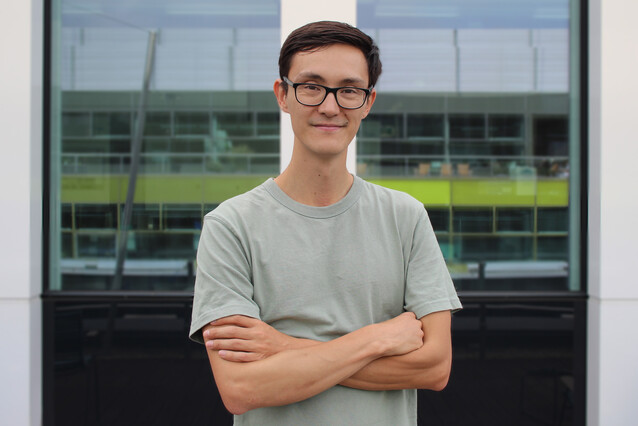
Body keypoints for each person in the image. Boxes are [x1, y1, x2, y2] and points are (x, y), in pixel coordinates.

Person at [189, 21, 462, 426]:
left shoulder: (405, 216)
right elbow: (241, 389)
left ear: (368, 102)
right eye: (312, 86)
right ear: (283, 95)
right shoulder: (230, 225)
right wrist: (376, 339)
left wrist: (282, 347)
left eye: (349, 90)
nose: (330, 106)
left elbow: (434, 368)